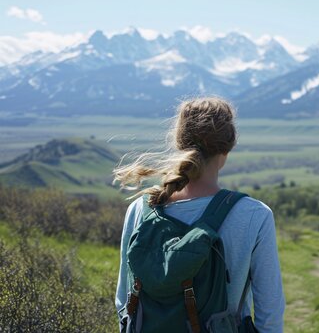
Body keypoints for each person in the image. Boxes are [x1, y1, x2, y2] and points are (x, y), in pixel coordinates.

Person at [113, 97, 285, 332]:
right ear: (228, 147)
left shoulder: (142, 210)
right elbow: (270, 314)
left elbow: (124, 301)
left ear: (179, 142)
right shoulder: (254, 215)